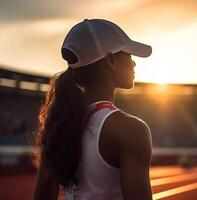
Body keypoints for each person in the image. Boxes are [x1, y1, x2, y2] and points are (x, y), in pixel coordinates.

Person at [32, 19, 153, 200]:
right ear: (111, 60)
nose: (133, 63)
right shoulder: (131, 130)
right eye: (128, 54)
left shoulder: (58, 124)